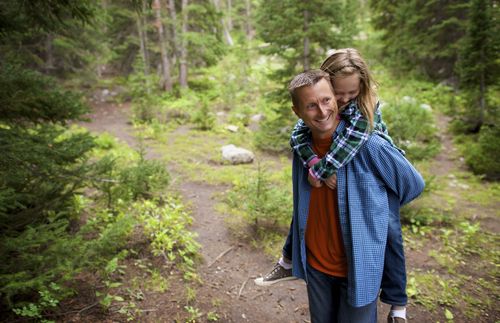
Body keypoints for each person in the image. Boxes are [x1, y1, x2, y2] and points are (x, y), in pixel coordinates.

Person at [255, 49, 410, 322]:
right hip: (319, 263)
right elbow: (298, 136)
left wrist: (372, 198)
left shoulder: (365, 117)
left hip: (369, 213)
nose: (344, 100)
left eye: (352, 93)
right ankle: (288, 260)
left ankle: (398, 302)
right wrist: (315, 164)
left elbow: (407, 183)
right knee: (302, 207)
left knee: (391, 230)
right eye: (338, 93)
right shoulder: (312, 124)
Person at [283, 70, 424, 322]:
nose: (322, 111)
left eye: (327, 101)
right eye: (311, 106)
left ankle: (398, 300)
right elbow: (301, 202)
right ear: (298, 112)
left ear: (337, 100)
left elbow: (412, 185)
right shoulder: (302, 149)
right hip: (316, 264)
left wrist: (373, 208)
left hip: (359, 267)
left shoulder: (369, 145)